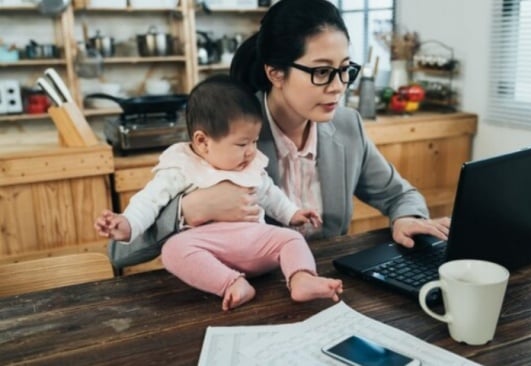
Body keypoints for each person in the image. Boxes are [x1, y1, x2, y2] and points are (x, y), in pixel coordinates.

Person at [108, 0, 450, 270]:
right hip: (242, 292)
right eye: (321, 71)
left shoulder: (347, 127)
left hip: (326, 282)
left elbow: (398, 195)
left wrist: (407, 218)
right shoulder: (227, 134)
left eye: (345, 70)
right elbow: (120, 253)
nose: (338, 87)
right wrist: (187, 209)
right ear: (275, 73)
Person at [96, 76, 343, 311]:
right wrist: (127, 224)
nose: (250, 152)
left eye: (255, 141)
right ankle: (231, 284)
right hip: (210, 248)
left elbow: (270, 194)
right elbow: (148, 202)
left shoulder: (251, 164)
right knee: (172, 250)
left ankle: (301, 279)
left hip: (255, 241)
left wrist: (293, 213)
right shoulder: (180, 167)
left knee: (292, 239)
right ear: (203, 142)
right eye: (241, 144)